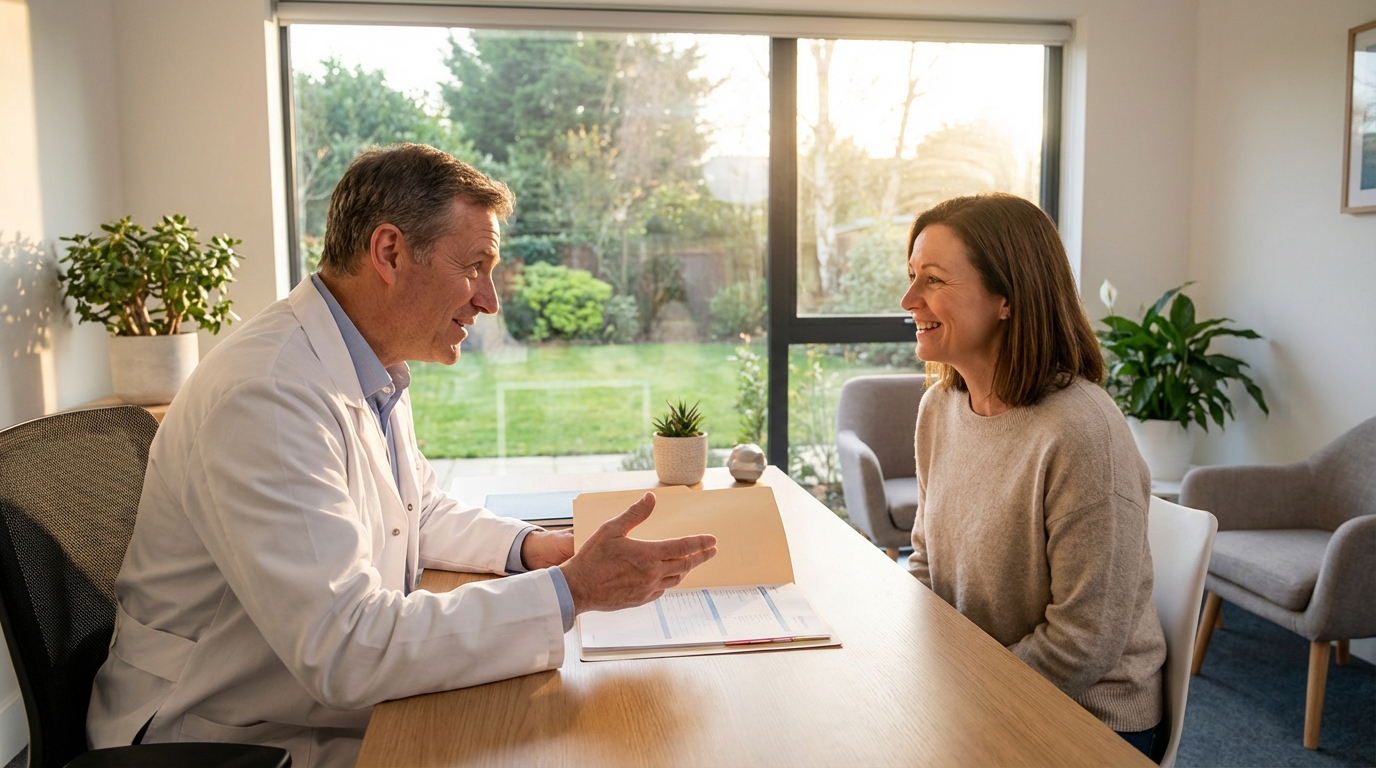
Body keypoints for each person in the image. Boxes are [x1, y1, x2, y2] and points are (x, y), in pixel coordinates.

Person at [86, 144, 717, 767]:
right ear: (389, 252)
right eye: (475, 266)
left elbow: (415, 509)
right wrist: (570, 591)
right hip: (220, 735)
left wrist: (531, 549)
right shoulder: (268, 396)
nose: (489, 300)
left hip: (297, 701)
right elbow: (347, 649)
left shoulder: (368, 360)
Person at [901, 193, 1167, 758]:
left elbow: (1083, 642)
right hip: (981, 687)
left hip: (1086, 719)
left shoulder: (1081, 431)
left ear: (1006, 298)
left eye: (934, 280)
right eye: (911, 277)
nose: (909, 300)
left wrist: (963, 696)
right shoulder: (939, 410)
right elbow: (926, 565)